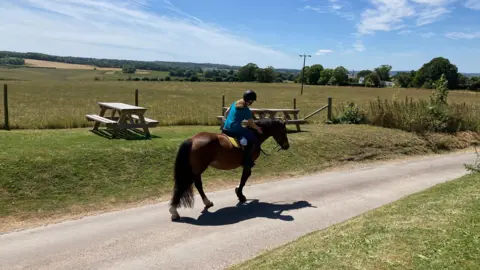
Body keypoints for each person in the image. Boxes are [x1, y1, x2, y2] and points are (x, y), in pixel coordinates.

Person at [222, 89, 263, 168]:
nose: (251, 104)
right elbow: (251, 124)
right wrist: (258, 128)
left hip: (225, 128)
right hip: (235, 131)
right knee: (252, 140)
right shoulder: (246, 110)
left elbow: (226, 112)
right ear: (248, 101)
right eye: (251, 102)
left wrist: (227, 120)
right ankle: (246, 161)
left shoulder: (234, 103)